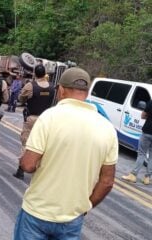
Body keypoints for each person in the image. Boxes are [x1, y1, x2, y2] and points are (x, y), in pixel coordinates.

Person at [14, 67, 118, 239]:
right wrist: (85, 207)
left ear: (61, 90)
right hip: (71, 219)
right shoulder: (107, 128)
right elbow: (107, 181)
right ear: (86, 92)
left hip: (37, 213)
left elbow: (28, 165)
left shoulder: (49, 117)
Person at [13, 65, 55, 180]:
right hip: (45, 119)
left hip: (32, 118)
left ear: (34, 74)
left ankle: (20, 170)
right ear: (45, 73)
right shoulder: (51, 87)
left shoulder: (30, 86)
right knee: (42, 145)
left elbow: (21, 98)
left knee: (25, 143)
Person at [122, 100, 152, 185]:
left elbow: (143, 115)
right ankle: (147, 178)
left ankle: (133, 175)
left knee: (141, 153)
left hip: (147, 132)